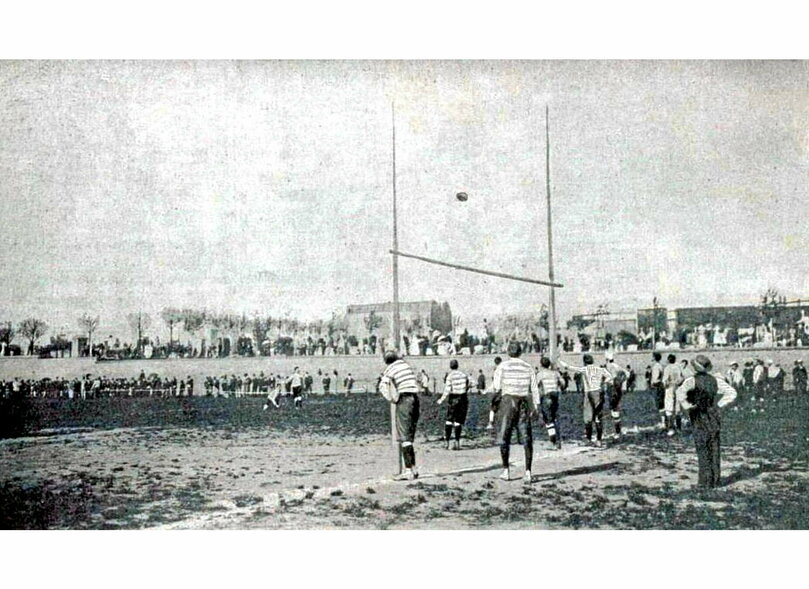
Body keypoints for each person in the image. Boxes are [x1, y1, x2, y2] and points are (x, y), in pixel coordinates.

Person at [675, 354, 738, 488]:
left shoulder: (691, 380)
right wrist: (719, 405)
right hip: (712, 413)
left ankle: (704, 481)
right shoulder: (716, 380)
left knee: (702, 446)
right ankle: (715, 480)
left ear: (695, 368)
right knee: (714, 445)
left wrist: (687, 406)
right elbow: (732, 393)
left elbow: (679, 393)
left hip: (698, 414)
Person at [492, 342, 538, 482]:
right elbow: (534, 389)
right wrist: (535, 406)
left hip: (508, 402)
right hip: (523, 401)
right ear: (521, 352)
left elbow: (497, 386)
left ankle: (506, 470)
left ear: (508, 352)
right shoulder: (528, 367)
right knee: (526, 437)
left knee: (504, 436)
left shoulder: (502, 366)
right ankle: (528, 472)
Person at [379, 351, 421, 481]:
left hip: (405, 399)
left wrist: (392, 399)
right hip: (415, 398)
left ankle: (408, 470)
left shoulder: (390, 369)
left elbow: (383, 386)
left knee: (404, 437)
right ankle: (413, 469)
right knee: (409, 435)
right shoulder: (405, 365)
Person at [558, 354, 613, 447]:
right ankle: (599, 440)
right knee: (598, 417)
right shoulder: (600, 369)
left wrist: (559, 360)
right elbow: (610, 377)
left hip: (589, 393)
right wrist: (603, 383)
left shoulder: (585, 369)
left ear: (584, 362)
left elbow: (568, 367)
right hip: (598, 392)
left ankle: (588, 439)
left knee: (588, 418)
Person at [437, 359, 469, 450]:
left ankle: (447, 442)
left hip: (453, 398)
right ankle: (457, 442)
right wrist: (465, 388)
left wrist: (441, 399)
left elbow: (447, 390)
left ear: (450, 366)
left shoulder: (450, 376)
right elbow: (471, 383)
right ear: (457, 365)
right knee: (458, 421)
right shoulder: (463, 375)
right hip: (463, 398)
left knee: (449, 420)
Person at [535, 356, 562, 448]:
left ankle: (552, 442)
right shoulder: (555, 373)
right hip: (555, 395)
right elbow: (563, 383)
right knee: (554, 418)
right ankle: (558, 441)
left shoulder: (540, 374)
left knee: (548, 419)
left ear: (541, 365)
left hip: (547, 396)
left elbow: (535, 386)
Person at [604, 353, 627, 440]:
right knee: (614, 409)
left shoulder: (610, 366)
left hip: (613, 389)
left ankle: (617, 431)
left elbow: (612, 377)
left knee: (614, 409)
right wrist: (621, 384)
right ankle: (617, 430)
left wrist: (607, 380)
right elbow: (626, 375)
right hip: (616, 389)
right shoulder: (617, 366)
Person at [662, 354, 683, 437]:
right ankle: (679, 428)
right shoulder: (678, 367)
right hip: (677, 388)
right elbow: (682, 378)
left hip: (670, 388)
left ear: (668, 360)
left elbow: (665, 381)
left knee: (669, 408)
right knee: (677, 408)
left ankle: (671, 429)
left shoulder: (667, 368)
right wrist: (678, 382)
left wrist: (666, 384)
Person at [486, 356, 503, 430]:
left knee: (493, 407)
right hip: (504, 391)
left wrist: (487, 390)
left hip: (498, 391)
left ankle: (490, 423)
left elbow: (495, 383)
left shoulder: (496, 371)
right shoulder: (503, 369)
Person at [651, 352, 665, 429]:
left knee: (660, 404)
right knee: (661, 404)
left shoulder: (656, 366)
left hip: (658, 386)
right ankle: (663, 421)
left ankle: (663, 422)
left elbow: (656, 379)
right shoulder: (660, 365)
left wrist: (653, 383)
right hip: (660, 386)